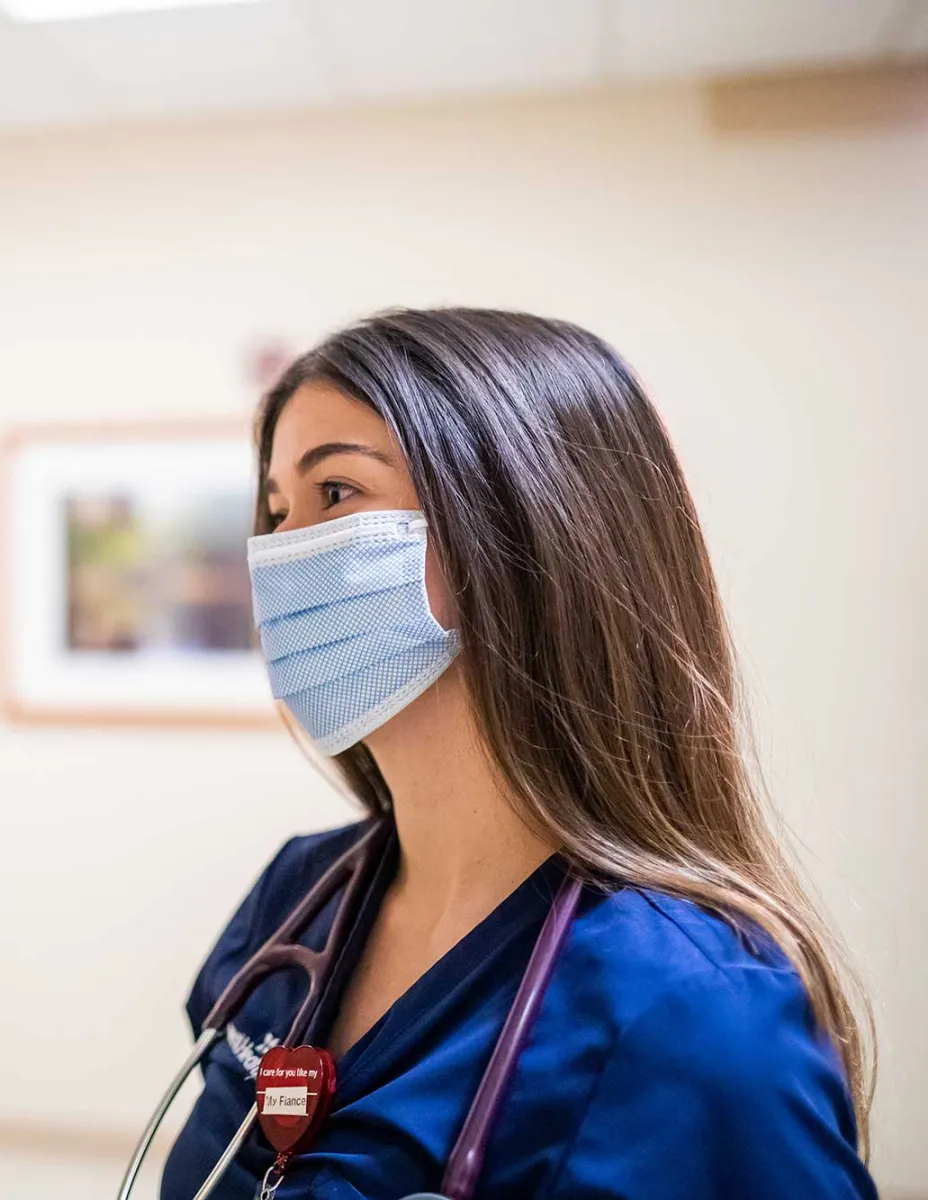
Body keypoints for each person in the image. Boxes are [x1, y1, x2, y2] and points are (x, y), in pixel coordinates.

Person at [161, 309, 876, 1198]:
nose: (277, 554)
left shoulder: (689, 1011)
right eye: (275, 510)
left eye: (335, 494)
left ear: (527, 528)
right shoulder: (298, 897)